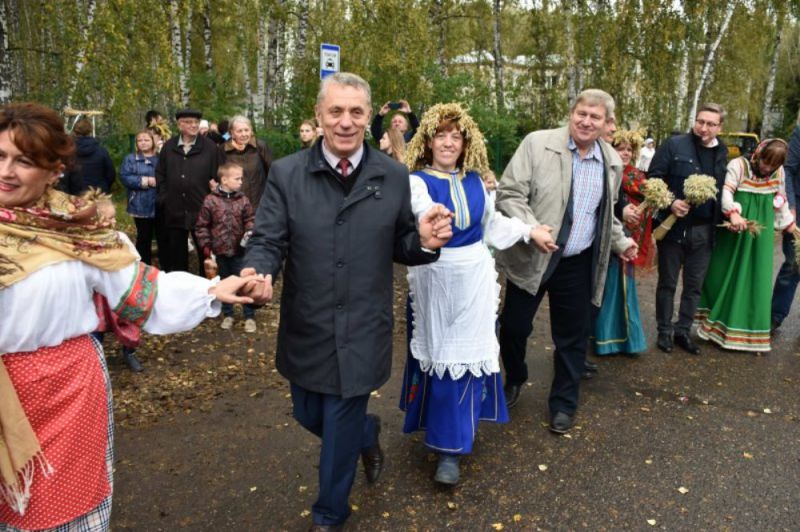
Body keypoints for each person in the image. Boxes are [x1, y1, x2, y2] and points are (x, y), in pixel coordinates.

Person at [0, 102, 255, 531]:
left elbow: (141, 294)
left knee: (55, 514)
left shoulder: (80, 232)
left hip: (66, 395)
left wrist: (213, 290)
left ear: (52, 170)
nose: (7, 171)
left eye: (23, 161)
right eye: (1, 157)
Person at [241, 72, 453, 531]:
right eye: (335, 111)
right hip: (309, 323)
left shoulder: (393, 175)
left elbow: (402, 243)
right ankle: (366, 433)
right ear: (319, 116)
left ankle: (330, 515)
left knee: (337, 424)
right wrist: (256, 271)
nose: (345, 122)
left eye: (355, 111)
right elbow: (268, 239)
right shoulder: (287, 173)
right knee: (308, 412)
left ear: (367, 116)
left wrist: (425, 241)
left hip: (363, 326)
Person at [399, 103, 535, 485]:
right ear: (426, 141)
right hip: (435, 280)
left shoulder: (476, 181)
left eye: (454, 136)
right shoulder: (416, 182)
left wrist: (529, 232)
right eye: (440, 135)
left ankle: (453, 446)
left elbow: (492, 227)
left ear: (465, 143)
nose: (447, 142)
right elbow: (424, 211)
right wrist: (436, 217)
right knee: (441, 359)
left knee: (468, 359)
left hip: (474, 279)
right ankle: (443, 442)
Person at [495, 89, 637, 434]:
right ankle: (515, 377)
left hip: (578, 261)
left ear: (607, 125)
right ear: (571, 113)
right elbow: (509, 193)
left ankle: (563, 403)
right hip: (534, 255)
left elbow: (604, 215)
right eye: (581, 114)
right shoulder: (537, 143)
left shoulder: (611, 162)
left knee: (572, 337)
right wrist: (532, 229)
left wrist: (620, 242)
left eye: (596, 117)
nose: (587, 122)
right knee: (513, 327)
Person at [696, 139, 793, 352]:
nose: (767, 168)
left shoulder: (779, 172)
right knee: (720, 272)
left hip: (762, 231)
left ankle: (748, 332)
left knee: (756, 276)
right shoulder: (738, 165)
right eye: (765, 161)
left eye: (773, 165)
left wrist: (790, 225)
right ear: (758, 153)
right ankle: (714, 324)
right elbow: (727, 193)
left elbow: (780, 198)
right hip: (737, 226)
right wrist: (733, 214)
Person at [648, 103, 728, 355]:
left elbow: (725, 189)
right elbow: (653, 178)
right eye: (700, 121)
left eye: (710, 124)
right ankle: (664, 331)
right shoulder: (674, 145)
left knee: (694, 286)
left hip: (705, 231)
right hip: (673, 229)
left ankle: (683, 330)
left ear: (720, 127)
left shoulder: (722, 152)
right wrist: (671, 202)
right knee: (667, 283)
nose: (703, 128)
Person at [593, 130, 650, 357]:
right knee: (607, 286)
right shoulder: (609, 172)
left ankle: (625, 338)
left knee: (624, 286)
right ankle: (606, 338)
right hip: (611, 233)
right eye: (620, 148)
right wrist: (624, 210)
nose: (625, 153)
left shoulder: (637, 175)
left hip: (630, 234)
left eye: (629, 149)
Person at [155, 108, 220, 274]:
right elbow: (160, 174)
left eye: (196, 122)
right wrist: (164, 197)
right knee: (176, 255)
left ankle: (205, 292)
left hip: (201, 210)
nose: (194, 125)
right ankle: (179, 292)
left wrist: (214, 197)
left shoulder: (210, 148)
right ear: (179, 125)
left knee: (205, 254)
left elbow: (219, 174)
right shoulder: (169, 147)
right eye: (189, 122)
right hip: (174, 209)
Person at [195, 163, 257, 333]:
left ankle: (249, 316)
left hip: (240, 251)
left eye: (241, 178)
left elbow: (250, 219)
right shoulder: (211, 200)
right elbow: (201, 226)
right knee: (223, 283)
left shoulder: (243, 199)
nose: (241, 182)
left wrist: (250, 231)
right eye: (237, 178)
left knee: (244, 282)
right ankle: (228, 314)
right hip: (219, 251)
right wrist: (207, 248)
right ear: (224, 180)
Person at [771, 125, 800, 329]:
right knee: (793, 264)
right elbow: (788, 170)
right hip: (798, 209)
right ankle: (775, 316)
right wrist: (790, 205)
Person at [120, 129, 159, 265]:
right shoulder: (130, 159)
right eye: (140, 140)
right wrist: (146, 181)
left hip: (160, 203)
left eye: (146, 140)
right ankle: (143, 265)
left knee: (162, 236)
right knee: (144, 237)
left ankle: (166, 267)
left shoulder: (161, 158)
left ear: (153, 141)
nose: (143, 143)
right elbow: (125, 178)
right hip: (140, 204)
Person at [220, 115, 271, 211]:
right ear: (232, 133)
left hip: (260, 205)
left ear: (251, 131)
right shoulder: (223, 150)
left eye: (246, 130)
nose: (244, 134)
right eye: (239, 131)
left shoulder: (260, 146)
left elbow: (272, 172)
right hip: (234, 207)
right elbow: (220, 178)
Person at [65, 118, 116, 193]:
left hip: (76, 196)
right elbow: (111, 174)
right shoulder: (102, 151)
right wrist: (103, 187)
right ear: (90, 131)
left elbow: (63, 176)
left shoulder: (68, 152)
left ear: (75, 131)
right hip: (97, 193)